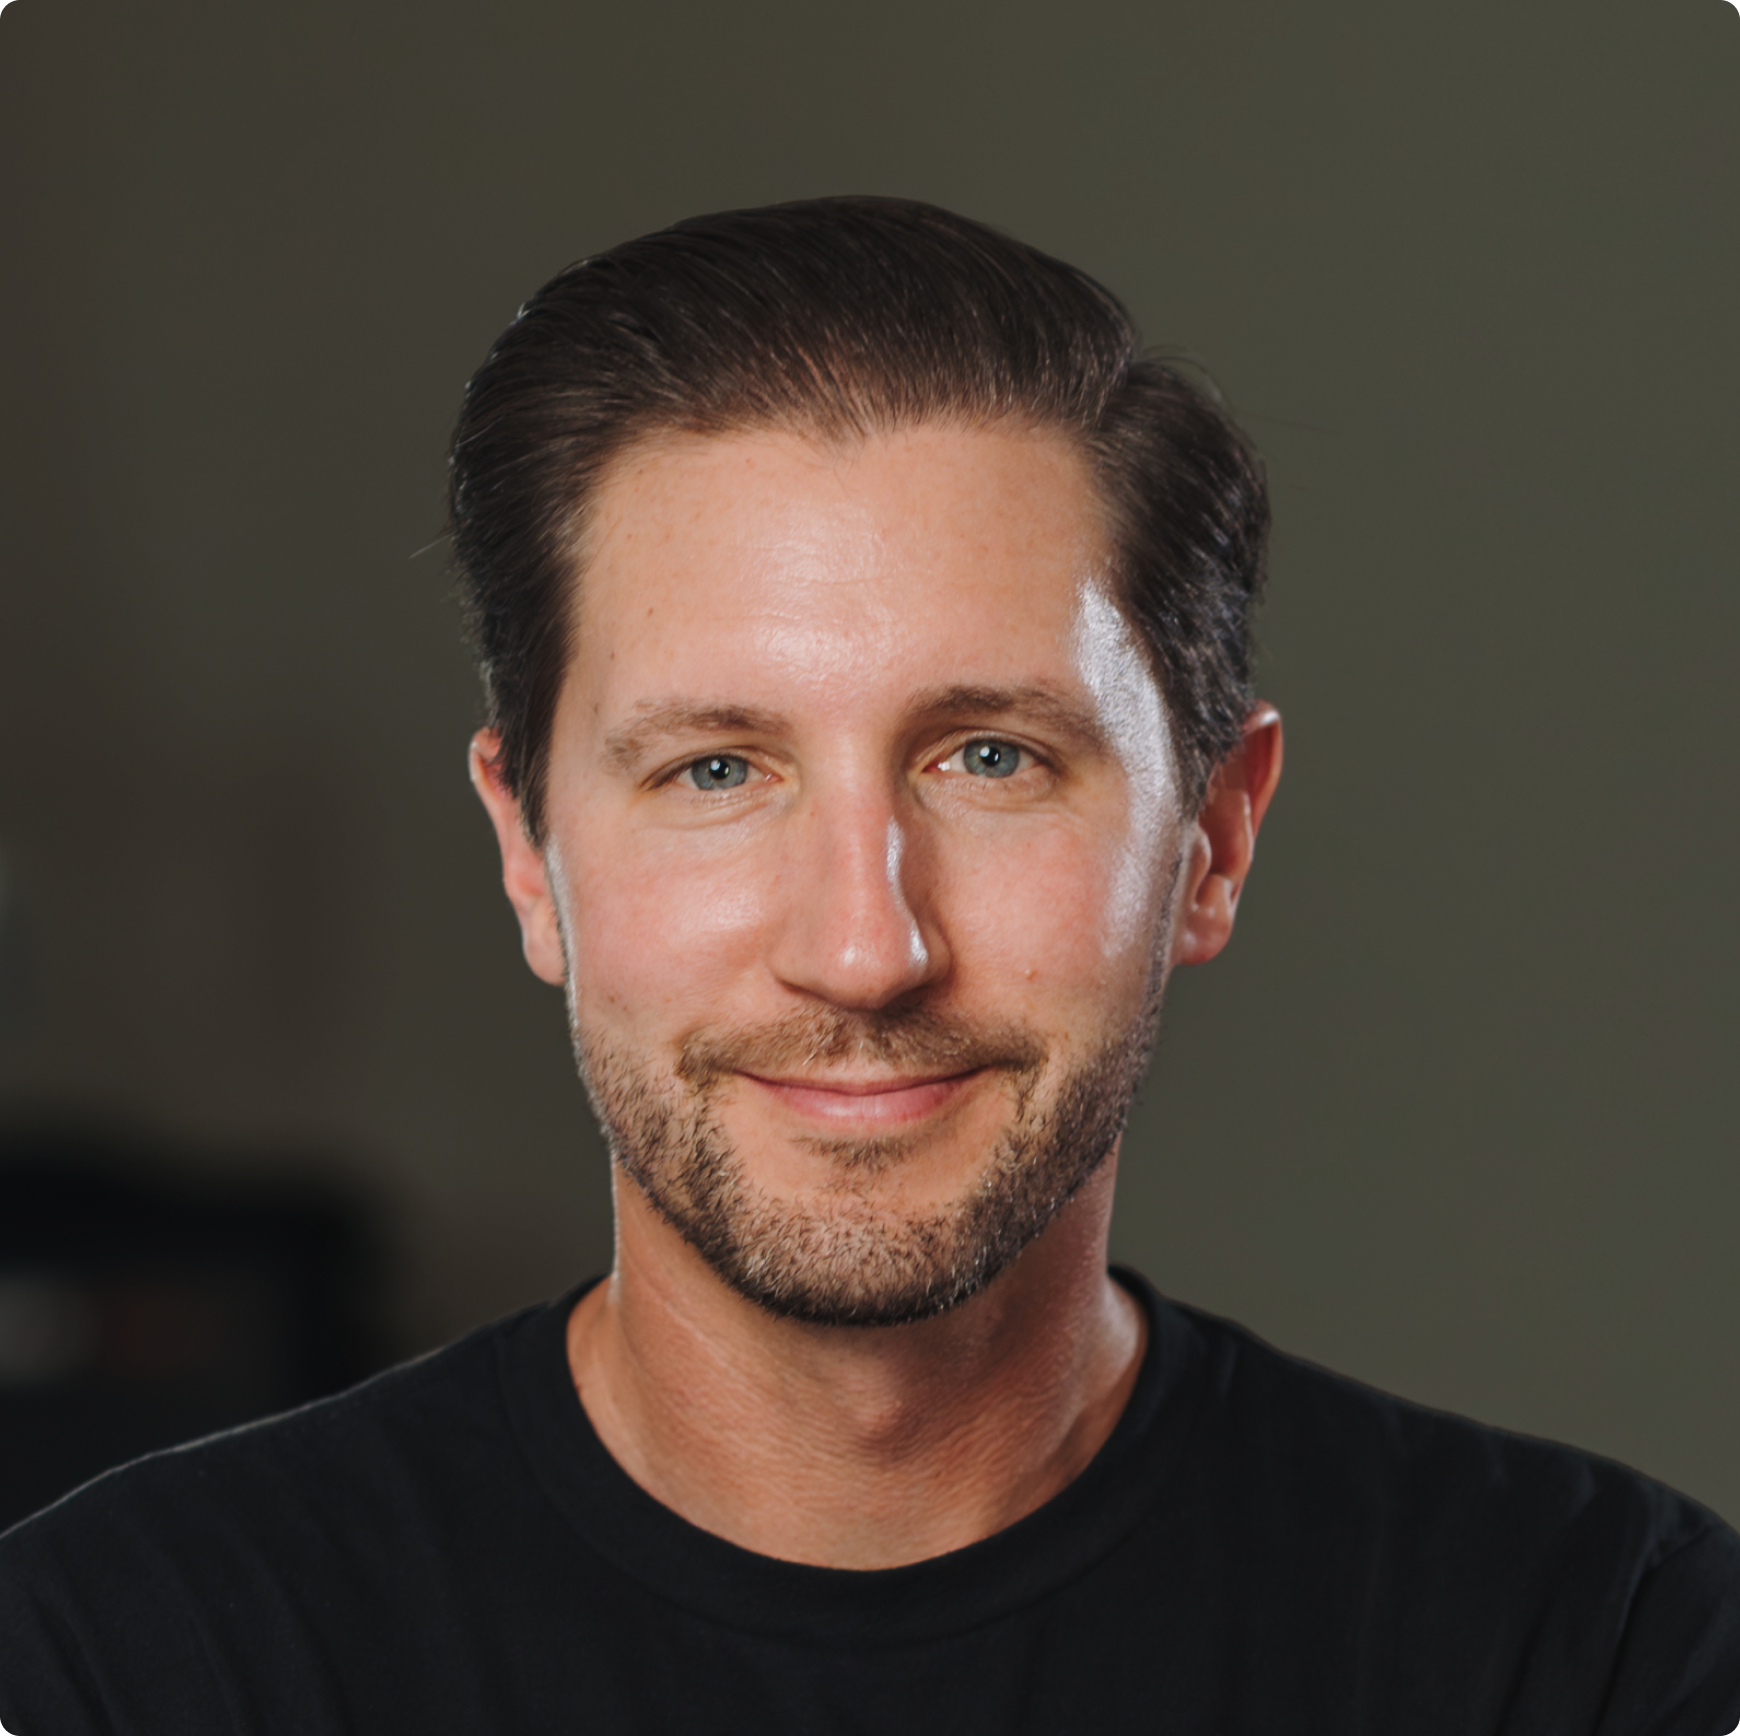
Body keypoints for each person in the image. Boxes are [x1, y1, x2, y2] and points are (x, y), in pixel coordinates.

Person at [1, 196, 1736, 1735]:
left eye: (989, 758)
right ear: (528, 853)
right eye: (716, 770)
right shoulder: (116, 1667)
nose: (863, 950)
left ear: (1214, 837)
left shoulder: (1601, 1655)